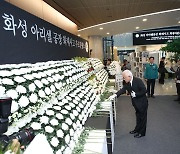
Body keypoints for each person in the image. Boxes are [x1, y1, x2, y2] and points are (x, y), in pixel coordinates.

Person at [115, 70, 148, 138]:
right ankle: (137, 129)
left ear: (129, 76)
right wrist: (115, 95)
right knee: (138, 117)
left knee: (142, 118)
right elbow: (123, 90)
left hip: (142, 103)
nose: (123, 79)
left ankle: (142, 133)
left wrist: (136, 94)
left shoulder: (138, 81)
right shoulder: (127, 82)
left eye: (124, 78)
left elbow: (144, 90)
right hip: (136, 103)